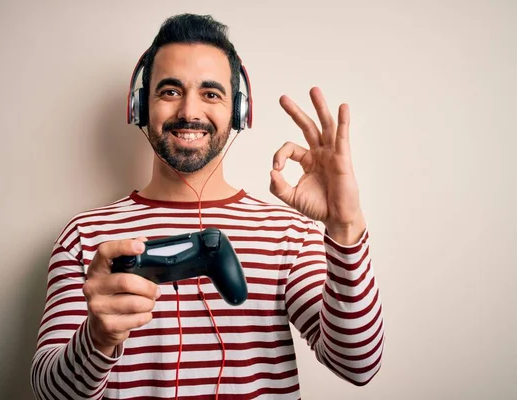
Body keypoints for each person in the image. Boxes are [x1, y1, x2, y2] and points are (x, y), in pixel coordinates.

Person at [31, 13, 384, 400]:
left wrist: (345, 225)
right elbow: (50, 394)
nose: (189, 112)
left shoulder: (289, 235)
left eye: (211, 93)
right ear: (139, 107)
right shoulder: (84, 237)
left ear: (239, 112)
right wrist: (96, 339)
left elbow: (358, 364)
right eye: (169, 91)